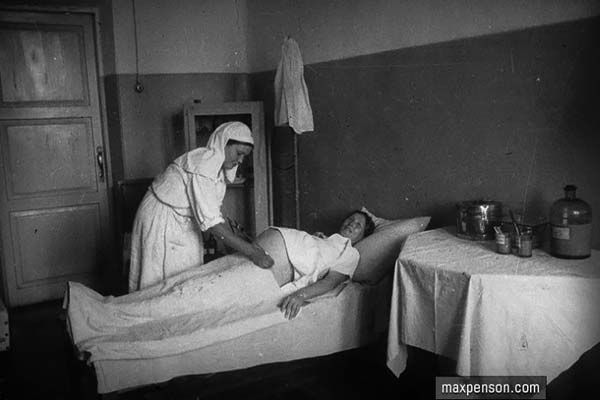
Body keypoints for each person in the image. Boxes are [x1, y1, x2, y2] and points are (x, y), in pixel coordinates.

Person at [128, 121, 274, 292]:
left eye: (244, 157)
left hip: (180, 218)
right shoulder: (203, 164)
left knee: (187, 273)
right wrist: (251, 252)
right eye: (239, 153)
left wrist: (242, 245)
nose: (240, 160)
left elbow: (215, 215)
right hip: (161, 217)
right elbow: (213, 225)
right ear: (223, 144)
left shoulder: (218, 173)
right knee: (158, 280)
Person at [256, 210, 375, 319]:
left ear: (362, 236)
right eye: (350, 219)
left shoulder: (351, 253)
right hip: (262, 250)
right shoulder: (325, 239)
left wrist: (300, 295)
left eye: (358, 225)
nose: (352, 224)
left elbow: (331, 281)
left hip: (276, 260)